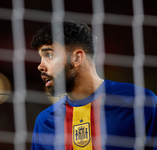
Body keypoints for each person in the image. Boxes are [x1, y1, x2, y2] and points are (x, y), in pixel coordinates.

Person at [30, 20, 157, 150]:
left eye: (49, 55)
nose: (40, 66)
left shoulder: (139, 101)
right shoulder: (45, 121)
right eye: (41, 57)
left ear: (77, 58)